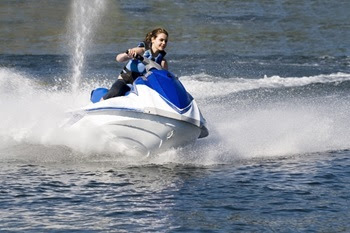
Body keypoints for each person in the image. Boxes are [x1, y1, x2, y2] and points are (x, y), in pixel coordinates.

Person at [102, 28, 169, 100]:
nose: (164, 43)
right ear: (153, 39)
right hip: (125, 82)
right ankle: (101, 102)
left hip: (143, 87)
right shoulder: (141, 51)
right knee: (115, 92)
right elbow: (118, 58)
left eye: (166, 41)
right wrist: (127, 55)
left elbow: (164, 80)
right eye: (161, 40)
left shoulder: (162, 62)